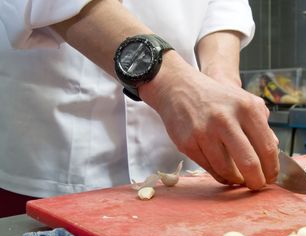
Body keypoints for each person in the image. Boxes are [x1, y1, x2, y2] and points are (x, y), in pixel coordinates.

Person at [0, 0, 279, 217]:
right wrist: (171, 82)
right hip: (52, 159)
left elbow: (224, 4)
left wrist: (221, 80)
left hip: (181, 178)